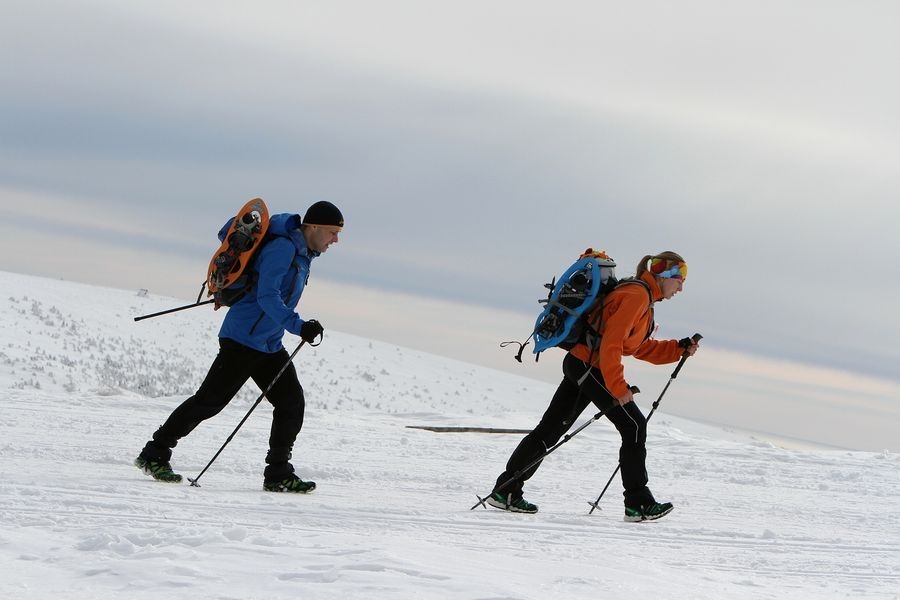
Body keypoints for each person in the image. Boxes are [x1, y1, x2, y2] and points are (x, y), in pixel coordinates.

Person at [134, 200, 344, 493]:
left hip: (268, 343)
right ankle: (154, 453)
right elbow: (267, 298)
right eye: (333, 232)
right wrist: (299, 326)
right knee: (209, 402)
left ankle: (278, 472)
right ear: (313, 227)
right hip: (243, 339)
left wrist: (294, 328)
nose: (336, 239)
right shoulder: (282, 249)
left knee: (291, 403)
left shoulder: (303, 253)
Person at [486, 251, 699, 520]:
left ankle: (506, 490)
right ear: (664, 275)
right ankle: (638, 503)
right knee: (633, 425)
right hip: (590, 366)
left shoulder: (644, 299)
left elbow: (636, 347)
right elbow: (611, 344)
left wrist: (677, 348)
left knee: (550, 430)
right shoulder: (637, 296)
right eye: (679, 279)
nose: (681, 287)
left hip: (582, 363)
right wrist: (620, 388)